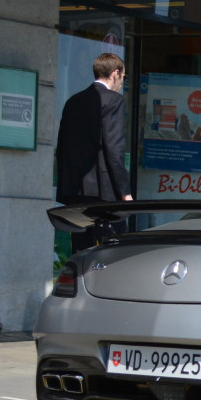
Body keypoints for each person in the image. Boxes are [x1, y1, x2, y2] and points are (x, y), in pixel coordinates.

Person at [55, 53, 133, 251]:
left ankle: (80, 281)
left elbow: (62, 146)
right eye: (123, 77)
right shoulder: (113, 100)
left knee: (81, 249)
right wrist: (124, 191)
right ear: (115, 73)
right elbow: (114, 147)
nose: (122, 82)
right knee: (116, 248)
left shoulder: (73, 101)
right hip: (103, 191)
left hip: (75, 190)